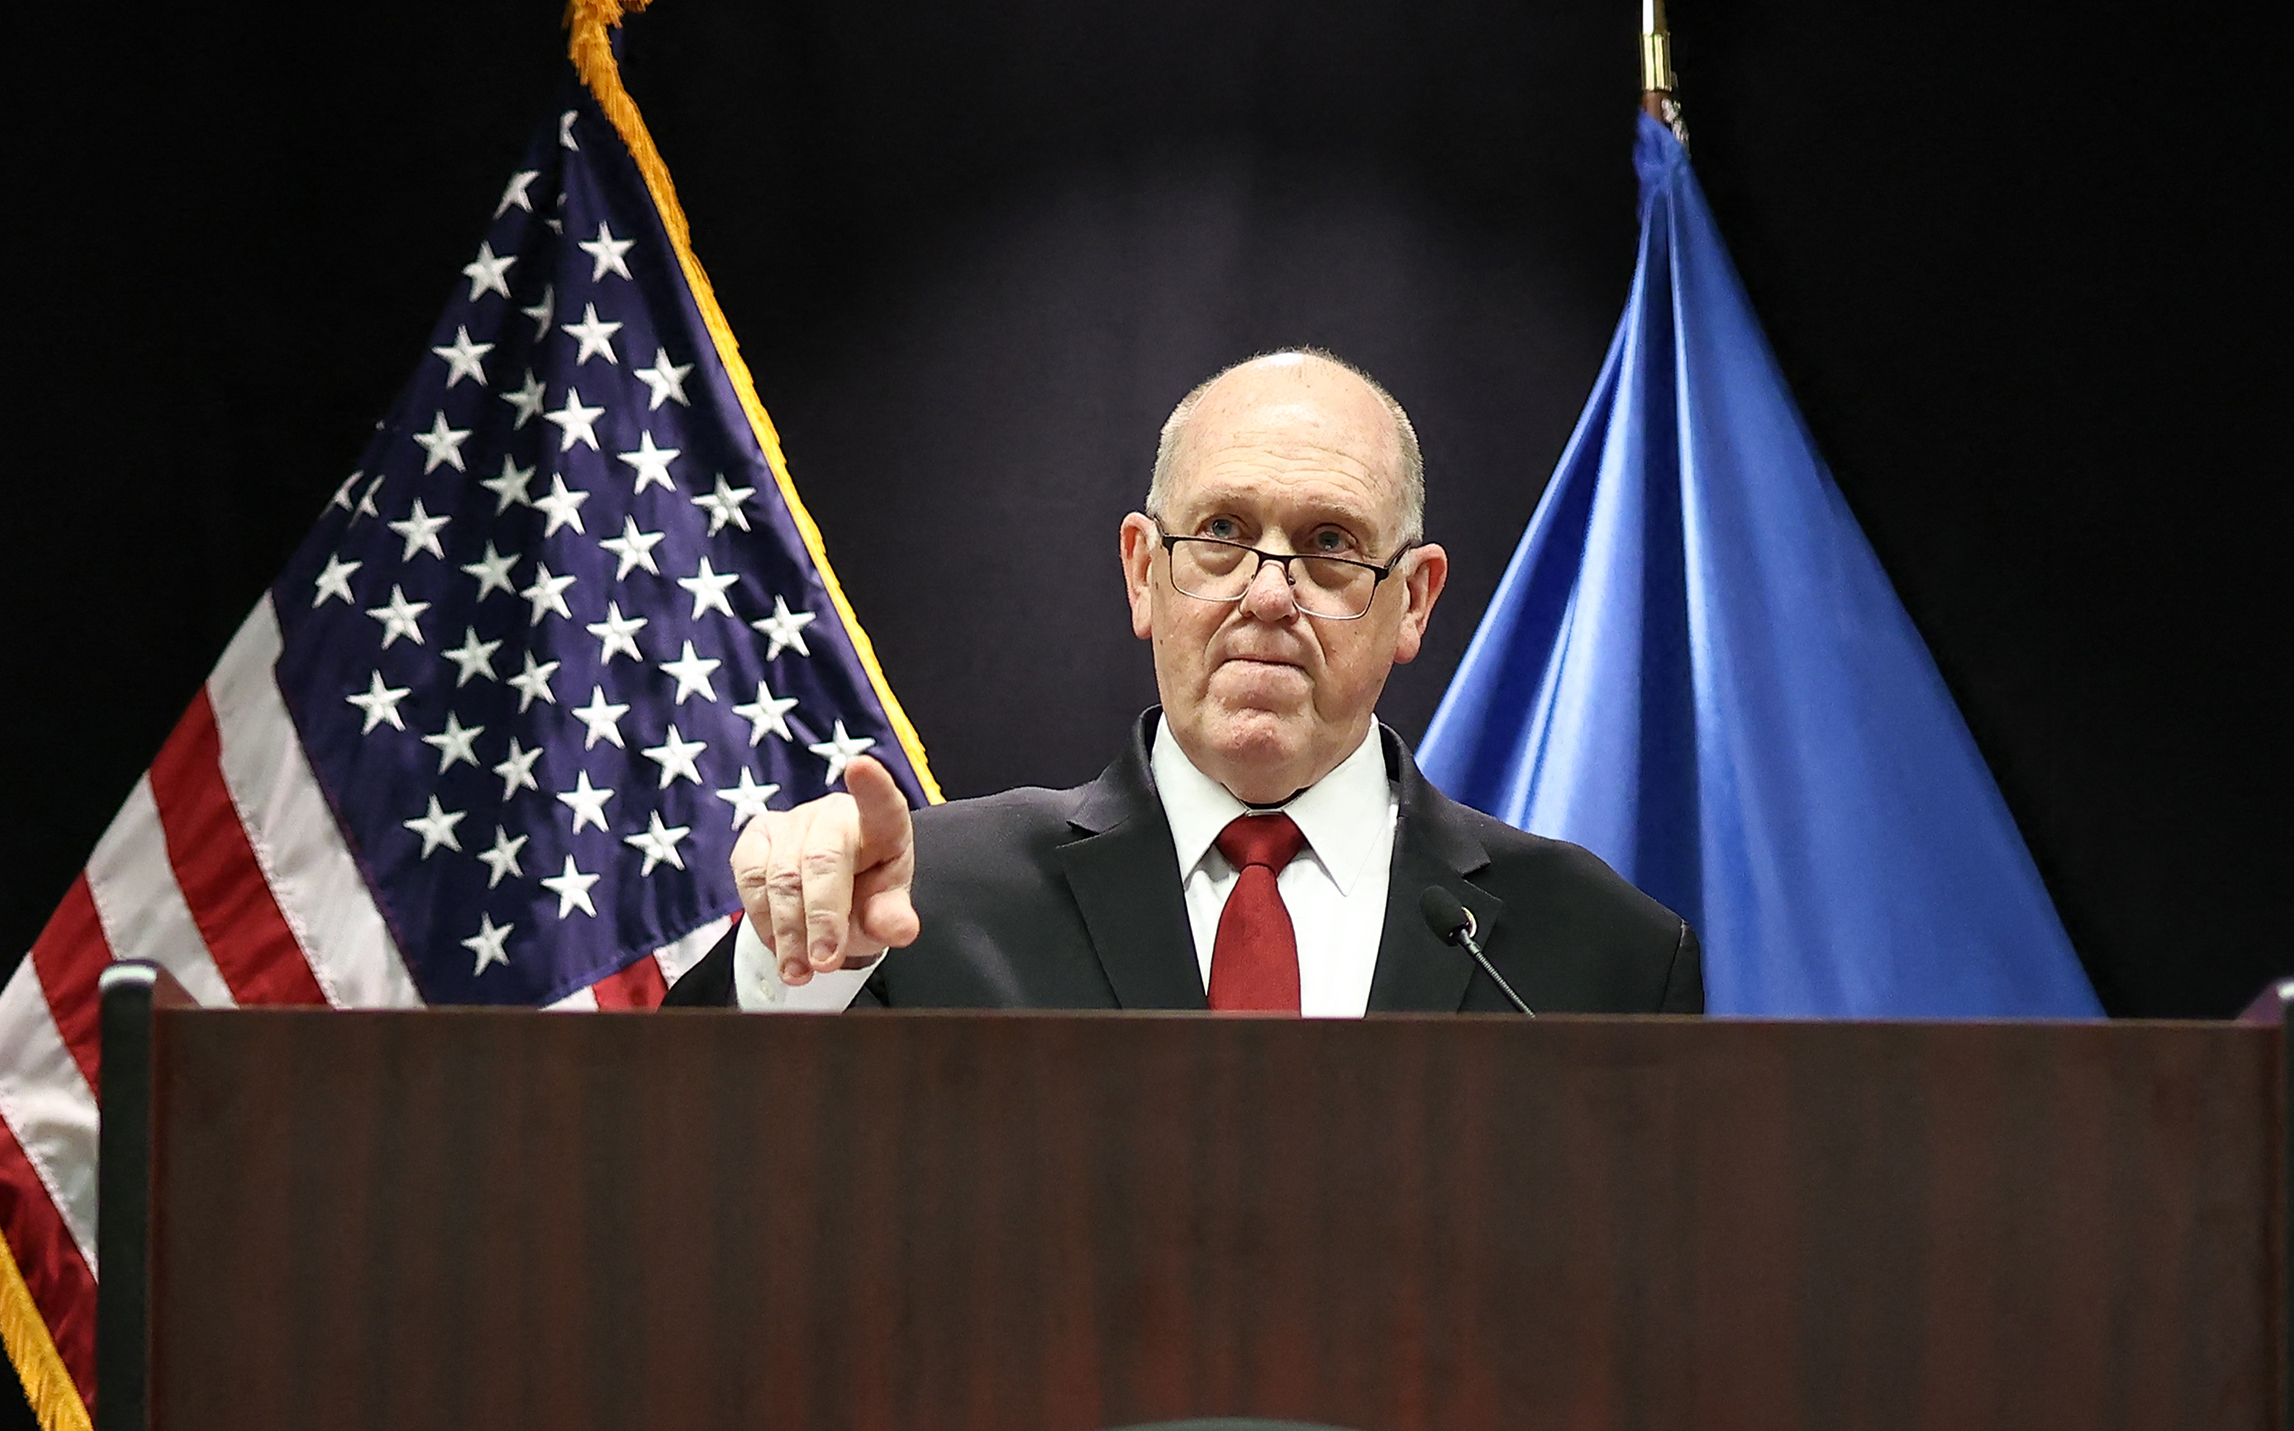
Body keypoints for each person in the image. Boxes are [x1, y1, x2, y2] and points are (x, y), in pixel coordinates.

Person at [675, 348, 1699, 1015]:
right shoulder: (926, 902)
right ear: (1142, 572)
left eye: (1331, 543)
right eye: (1221, 534)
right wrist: (793, 967)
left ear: (1415, 602)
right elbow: (677, 1173)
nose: (1267, 594)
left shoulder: (1601, 955)